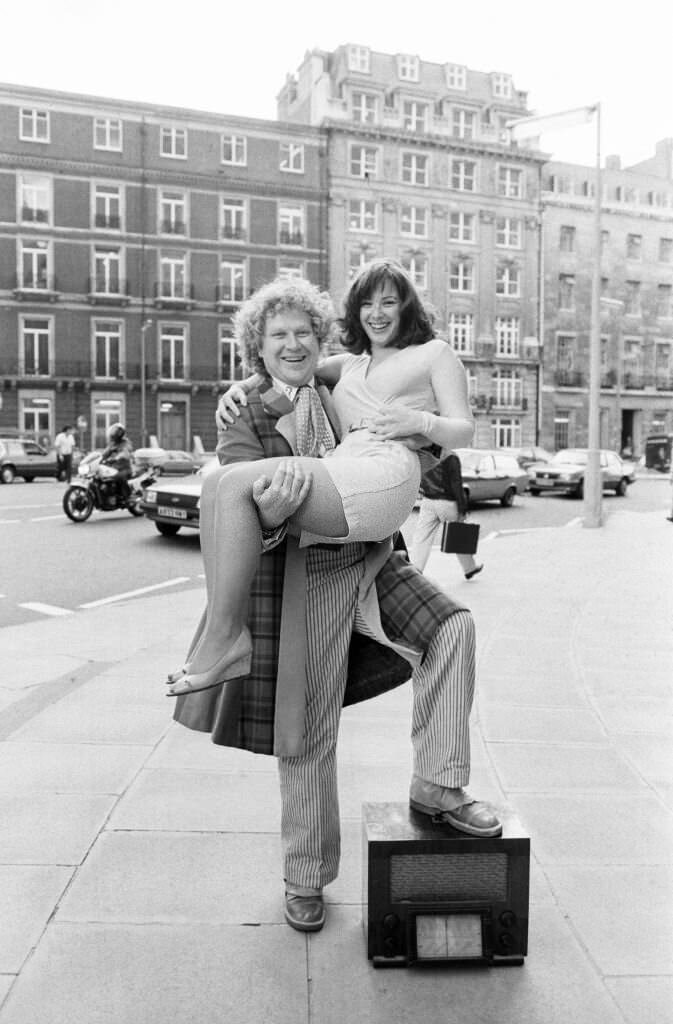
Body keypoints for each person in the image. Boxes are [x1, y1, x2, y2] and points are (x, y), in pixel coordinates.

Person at [172, 271, 501, 932]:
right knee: (311, 733)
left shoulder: (340, 383)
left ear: (319, 339)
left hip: (380, 551)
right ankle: (305, 877)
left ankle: (438, 781)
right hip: (309, 575)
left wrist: (428, 453)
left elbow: (434, 438)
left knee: (452, 630)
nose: (292, 345)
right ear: (256, 349)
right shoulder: (246, 413)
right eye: (277, 336)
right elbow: (244, 519)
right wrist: (272, 513)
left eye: (302, 333)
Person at [167, 259, 473, 697]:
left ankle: (225, 639)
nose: (378, 313)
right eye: (367, 303)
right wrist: (241, 385)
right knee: (219, 483)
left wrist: (420, 421)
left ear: (408, 306)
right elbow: (289, 366)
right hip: (341, 492)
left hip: (386, 482)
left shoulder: (434, 354)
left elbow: (462, 429)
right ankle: (223, 636)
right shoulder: (349, 366)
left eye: (389, 301)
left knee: (230, 484)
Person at [411, 451, 483, 579]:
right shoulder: (451, 456)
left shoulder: (424, 453)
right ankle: (469, 568)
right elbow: (456, 484)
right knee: (458, 536)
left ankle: (415, 572)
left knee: (422, 538)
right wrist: (462, 508)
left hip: (428, 501)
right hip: (447, 502)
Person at [100, 423, 134, 501]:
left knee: (117, 476)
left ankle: (128, 497)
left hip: (124, 469)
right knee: (101, 476)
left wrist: (117, 457)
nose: (113, 434)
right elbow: (105, 453)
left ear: (120, 434)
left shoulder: (125, 442)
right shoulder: (112, 444)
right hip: (114, 468)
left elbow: (126, 452)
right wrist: (98, 459)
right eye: (113, 432)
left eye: (115, 432)